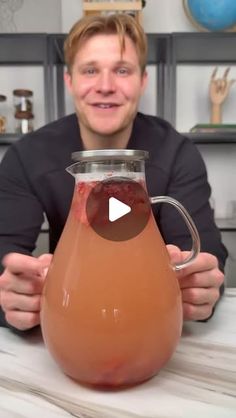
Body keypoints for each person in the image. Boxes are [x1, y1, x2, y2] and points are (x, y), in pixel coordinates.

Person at [0, 13, 226, 331]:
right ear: (70, 81)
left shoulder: (177, 152)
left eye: (122, 70)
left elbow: (206, 253)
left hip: (150, 321)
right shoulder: (27, 155)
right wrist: (10, 296)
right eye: (90, 70)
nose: (105, 87)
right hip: (72, 319)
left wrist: (202, 288)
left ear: (142, 81)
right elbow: (4, 253)